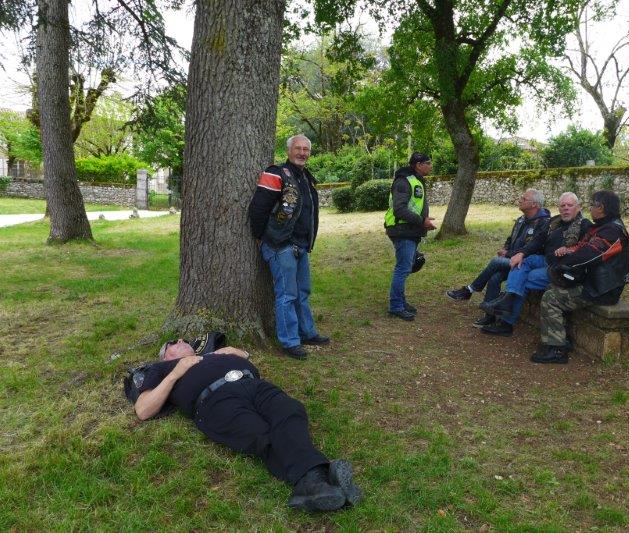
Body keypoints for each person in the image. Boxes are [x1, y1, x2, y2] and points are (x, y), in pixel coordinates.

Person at [134, 339, 362, 512]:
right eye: (173, 342)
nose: (181, 340)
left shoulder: (214, 354)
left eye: (183, 339)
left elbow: (245, 358)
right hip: (214, 399)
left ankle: (315, 485)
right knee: (258, 432)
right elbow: (143, 410)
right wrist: (175, 372)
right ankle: (318, 478)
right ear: (165, 356)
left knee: (290, 411)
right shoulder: (162, 369)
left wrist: (242, 353)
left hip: (253, 384)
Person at [248, 135, 329, 360]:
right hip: (280, 245)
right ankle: (290, 342)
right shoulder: (276, 173)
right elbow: (258, 208)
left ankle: (307, 333)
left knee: (303, 293)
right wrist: (260, 237)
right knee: (287, 295)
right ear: (289, 150)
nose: (302, 153)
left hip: (301, 245)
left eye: (306, 149)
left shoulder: (306, 177)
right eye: (298, 148)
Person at [532, 190, 629, 364]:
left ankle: (556, 349)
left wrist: (562, 265)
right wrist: (568, 251)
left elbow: (590, 254)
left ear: (602, 208)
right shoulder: (603, 226)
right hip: (593, 282)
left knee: (551, 297)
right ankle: (561, 338)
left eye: (593, 205)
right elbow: (582, 247)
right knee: (552, 287)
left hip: (602, 289)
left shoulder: (613, 231)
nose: (590, 208)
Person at [478, 192, 590, 336]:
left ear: (578, 207)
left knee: (522, 278)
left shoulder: (585, 225)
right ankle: (507, 301)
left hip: (560, 269)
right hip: (546, 260)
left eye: (570, 205)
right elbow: (538, 240)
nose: (566, 208)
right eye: (562, 205)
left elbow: (587, 248)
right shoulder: (554, 222)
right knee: (520, 263)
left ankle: (506, 322)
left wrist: (569, 250)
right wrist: (521, 253)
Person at [445, 189, 551, 328]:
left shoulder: (544, 223)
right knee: (495, 278)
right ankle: (489, 315)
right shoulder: (521, 219)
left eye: (524, 199)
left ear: (534, 204)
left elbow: (533, 247)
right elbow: (511, 238)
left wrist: (507, 254)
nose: (520, 200)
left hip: (525, 263)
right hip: (512, 260)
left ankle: (470, 290)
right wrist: (506, 248)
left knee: (496, 261)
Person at [384, 152, 437, 321]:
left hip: (410, 230)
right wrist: (422, 221)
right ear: (418, 165)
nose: (430, 166)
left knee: (408, 266)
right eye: (428, 163)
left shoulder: (416, 180)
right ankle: (396, 307)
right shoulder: (404, 181)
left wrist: (423, 220)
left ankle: (400, 302)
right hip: (402, 231)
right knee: (403, 268)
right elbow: (399, 209)